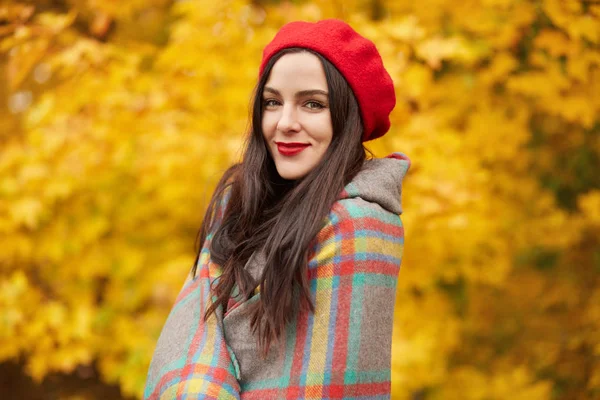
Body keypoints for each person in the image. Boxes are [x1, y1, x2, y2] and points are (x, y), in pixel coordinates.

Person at [143, 19, 411, 400]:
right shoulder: (237, 207)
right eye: (272, 102)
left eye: (312, 104)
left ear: (348, 120)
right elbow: (190, 328)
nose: (285, 123)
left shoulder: (359, 226)